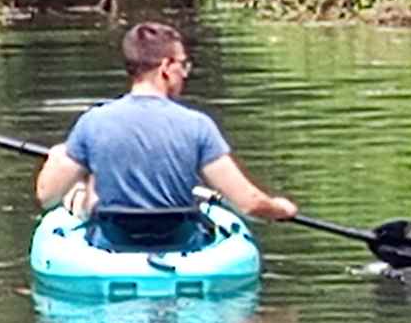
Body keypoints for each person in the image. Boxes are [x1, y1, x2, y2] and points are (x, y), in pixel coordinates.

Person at [36, 21, 297, 246]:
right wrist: (279, 208)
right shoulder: (197, 126)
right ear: (166, 66)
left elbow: (47, 196)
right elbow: (248, 203)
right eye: (182, 65)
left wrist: (59, 157)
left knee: (86, 190)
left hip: (114, 243)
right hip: (180, 242)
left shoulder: (92, 123)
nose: (184, 73)